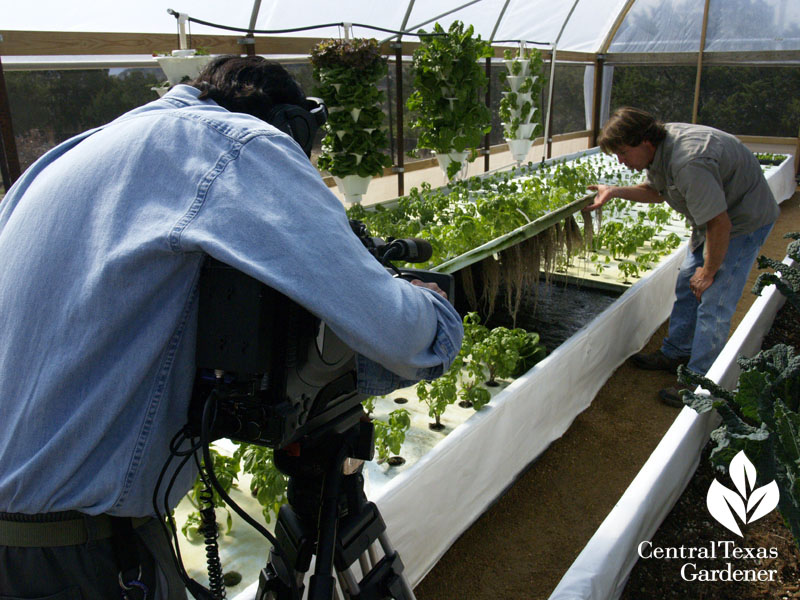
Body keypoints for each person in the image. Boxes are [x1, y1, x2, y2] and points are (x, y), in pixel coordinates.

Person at [0, 55, 463, 599]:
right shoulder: (237, 143)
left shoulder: (64, 157)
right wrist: (432, 310)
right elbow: (396, 332)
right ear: (291, 126)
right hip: (84, 559)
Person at [585, 107, 779, 406]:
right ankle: (675, 352)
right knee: (687, 281)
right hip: (713, 218)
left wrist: (710, 271)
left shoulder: (689, 161)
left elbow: (720, 223)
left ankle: (701, 381)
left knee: (713, 300)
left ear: (646, 142)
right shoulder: (658, 149)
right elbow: (656, 191)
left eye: (624, 152)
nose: (621, 161)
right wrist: (614, 191)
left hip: (741, 221)